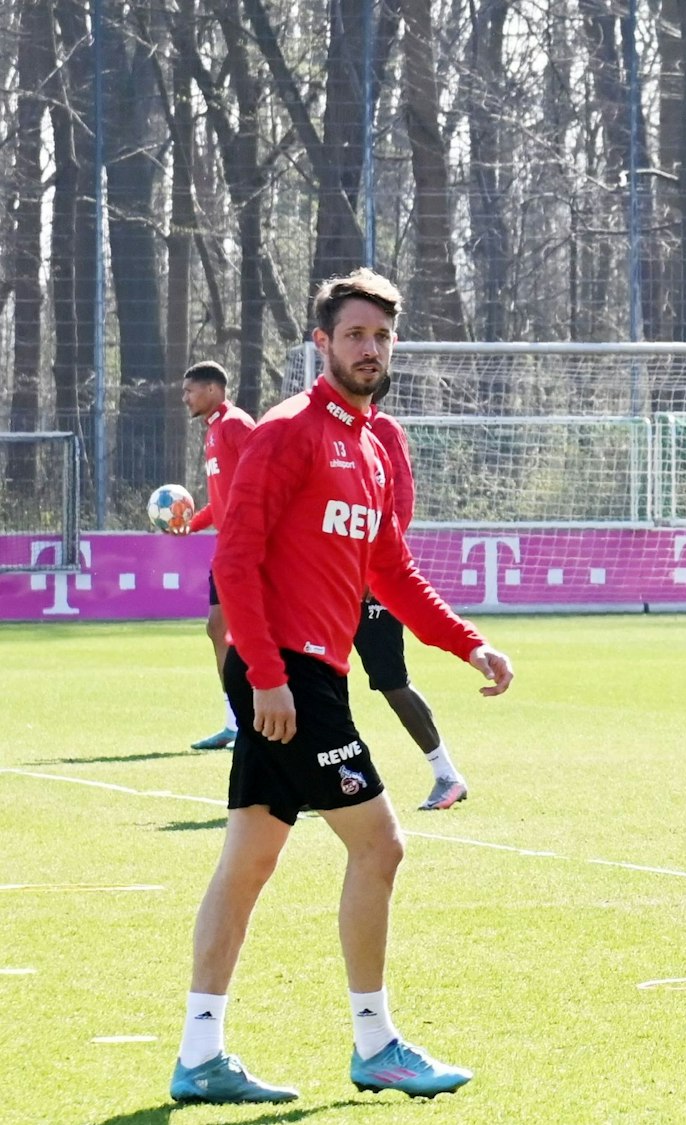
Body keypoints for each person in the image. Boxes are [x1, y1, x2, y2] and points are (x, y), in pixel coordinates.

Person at [172, 269, 515, 1105]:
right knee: (381, 843)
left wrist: (467, 643)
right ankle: (377, 1042)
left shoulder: (373, 444)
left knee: (247, 861)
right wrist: (264, 677)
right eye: (355, 335)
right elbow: (236, 559)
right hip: (288, 676)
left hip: (309, 674)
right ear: (321, 343)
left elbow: (390, 568)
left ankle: (199, 1054)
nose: (371, 350)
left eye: (383, 337)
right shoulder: (288, 433)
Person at [358, 382, 470, 810]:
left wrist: (375, 568)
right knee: (312, 678)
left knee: (390, 681)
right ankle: (321, 779)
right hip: (336, 582)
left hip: (373, 583)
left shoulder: (383, 430)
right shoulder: (335, 434)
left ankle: (447, 775)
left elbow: (400, 506)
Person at [172, 361, 257, 751]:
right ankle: (235, 722)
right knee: (217, 629)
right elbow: (221, 498)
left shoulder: (237, 424)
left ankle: (254, 720)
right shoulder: (212, 432)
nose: (185, 397)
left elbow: (263, 476)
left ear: (211, 390)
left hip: (250, 549)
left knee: (246, 634)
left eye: (190, 390)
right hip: (227, 550)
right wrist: (191, 523)